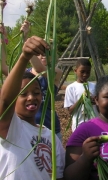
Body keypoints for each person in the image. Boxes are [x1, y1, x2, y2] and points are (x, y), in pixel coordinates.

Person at [0, 36, 65, 180]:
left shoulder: (50, 136)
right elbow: (5, 101)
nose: (31, 97)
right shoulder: (11, 129)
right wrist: (24, 57)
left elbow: (59, 174)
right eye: (23, 93)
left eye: (36, 93)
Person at [28, 54, 63, 141]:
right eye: (39, 52)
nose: (43, 54)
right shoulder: (25, 73)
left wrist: (26, 41)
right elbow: (5, 68)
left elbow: (39, 69)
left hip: (50, 127)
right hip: (28, 129)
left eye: (47, 51)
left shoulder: (56, 72)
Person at [64, 58, 99, 132]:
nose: (85, 74)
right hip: (79, 125)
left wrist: (94, 101)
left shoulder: (94, 86)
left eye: (88, 72)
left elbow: (99, 105)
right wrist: (82, 99)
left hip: (95, 124)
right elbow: (70, 111)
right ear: (75, 71)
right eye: (82, 72)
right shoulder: (71, 88)